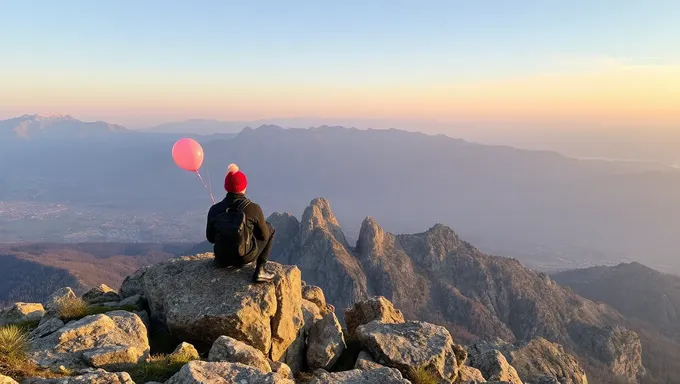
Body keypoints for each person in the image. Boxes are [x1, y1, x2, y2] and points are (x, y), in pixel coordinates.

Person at [206, 164, 276, 283]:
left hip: (221, 259)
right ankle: (260, 270)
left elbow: (211, 238)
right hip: (244, 256)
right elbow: (263, 236)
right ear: (244, 187)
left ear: (226, 187)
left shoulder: (214, 209)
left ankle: (226, 260)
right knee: (269, 228)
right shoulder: (253, 208)